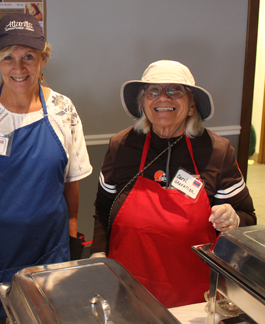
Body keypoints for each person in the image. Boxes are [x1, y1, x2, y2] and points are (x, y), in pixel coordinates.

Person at [0, 13, 93, 323]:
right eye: (8, 58)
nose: (19, 67)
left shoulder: (63, 110)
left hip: (47, 245)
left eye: (29, 57)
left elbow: (72, 181)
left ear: (43, 60)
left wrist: (71, 228)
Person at [91, 60, 256, 308]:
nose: (163, 98)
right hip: (127, 289)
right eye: (153, 91)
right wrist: (97, 253)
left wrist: (233, 218)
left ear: (192, 105)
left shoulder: (217, 151)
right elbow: (103, 208)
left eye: (175, 90)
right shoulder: (121, 146)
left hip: (195, 298)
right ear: (143, 103)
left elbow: (247, 216)